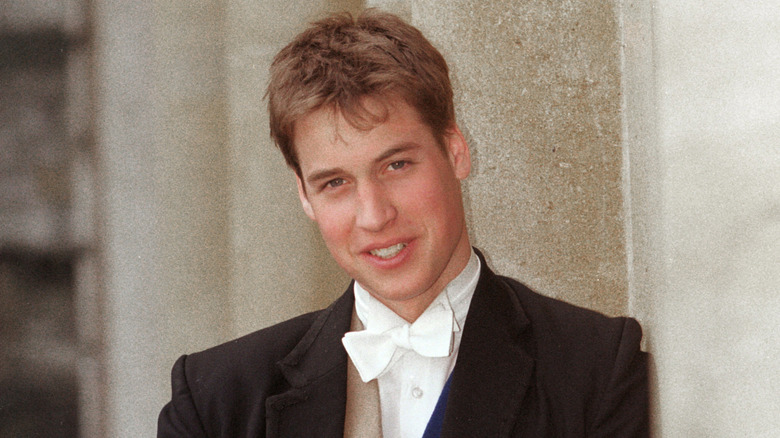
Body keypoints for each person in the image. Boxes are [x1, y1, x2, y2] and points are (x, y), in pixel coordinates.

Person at [157, 9, 648, 438]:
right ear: (304, 195)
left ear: (455, 151)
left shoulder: (597, 370)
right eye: (334, 183)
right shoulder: (214, 403)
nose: (374, 215)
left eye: (396, 165)